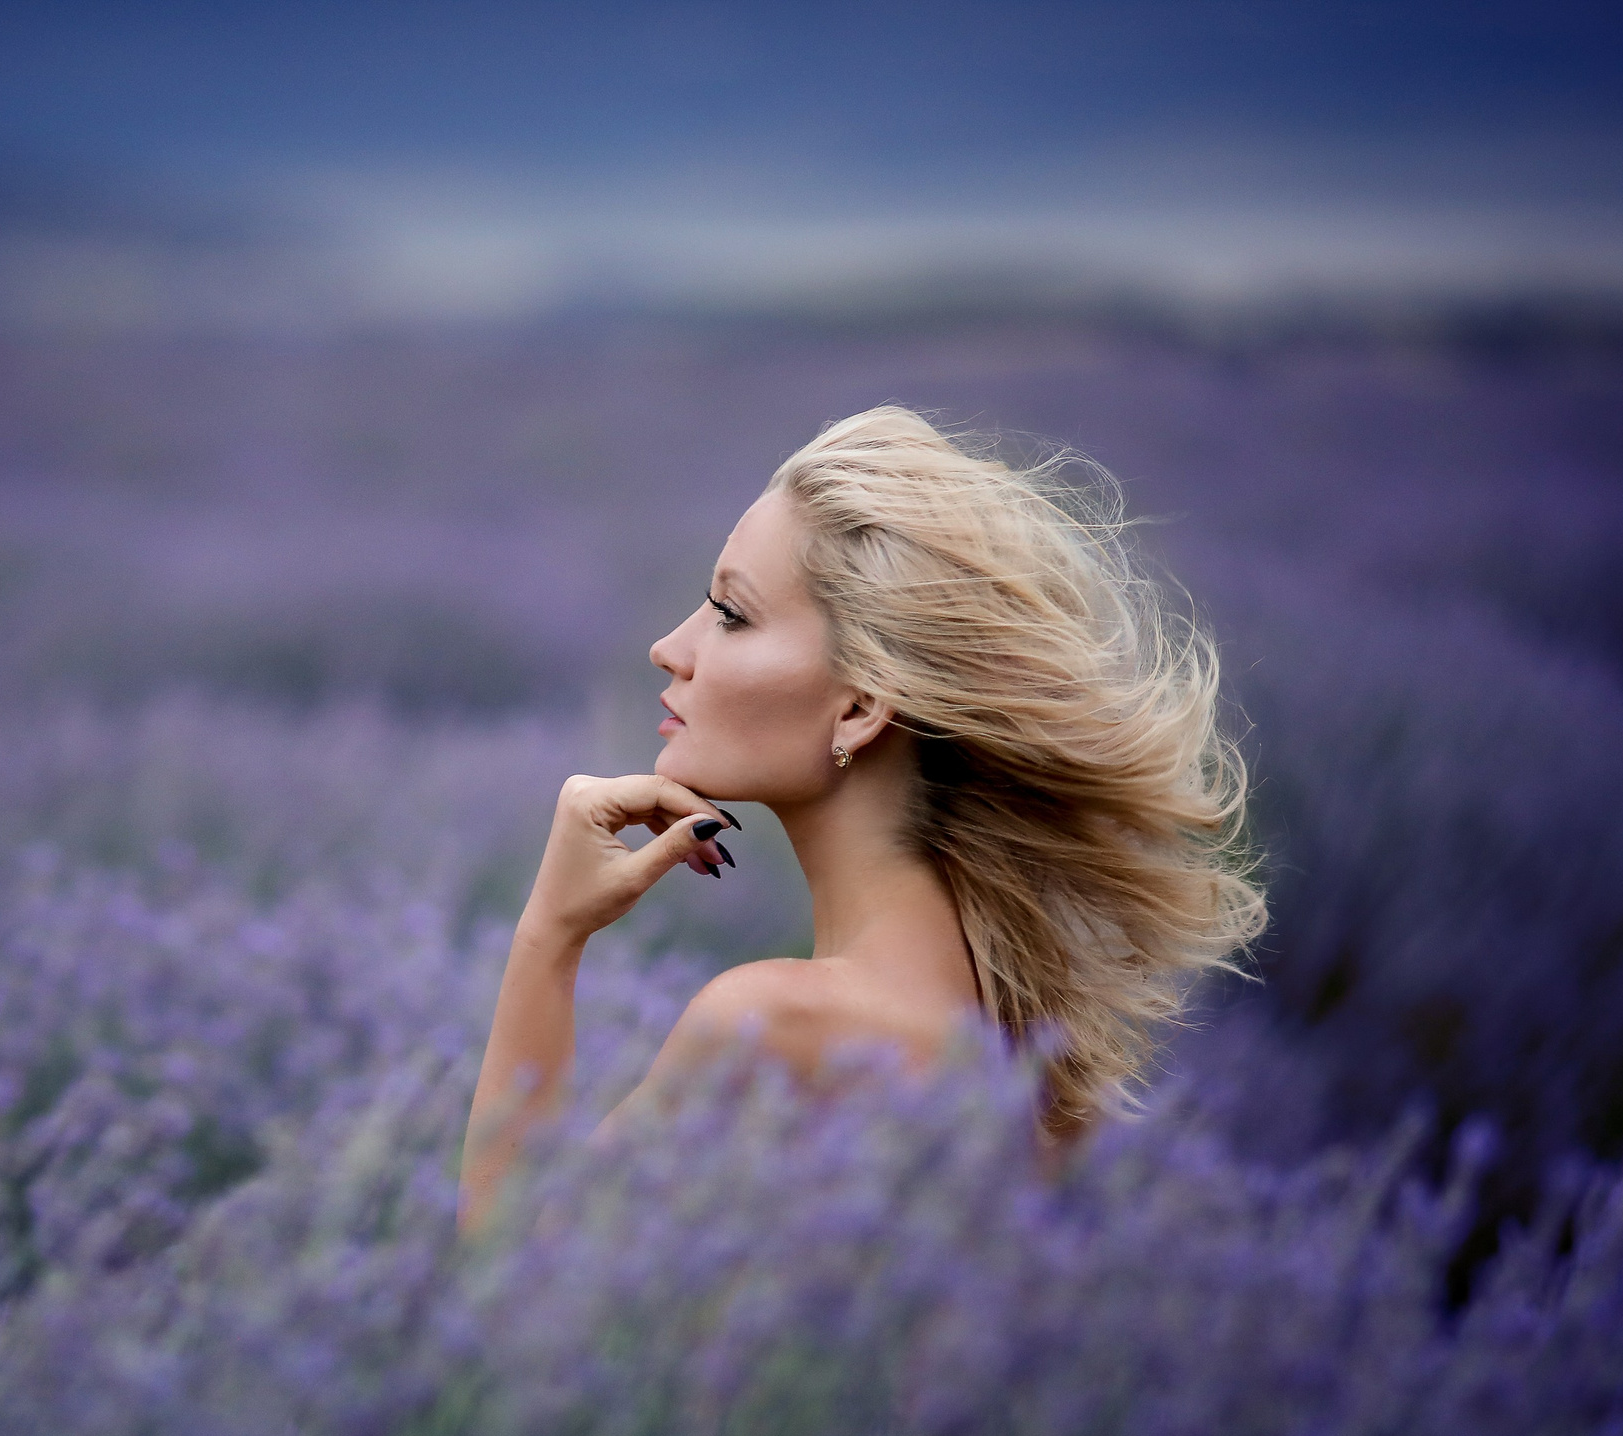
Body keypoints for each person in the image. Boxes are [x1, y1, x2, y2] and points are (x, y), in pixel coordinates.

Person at [458, 406, 1266, 1232]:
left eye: (730, 613)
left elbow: (509, 1263)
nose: (671, 646)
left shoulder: (775, 1027)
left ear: (860, 707)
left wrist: (549, 935)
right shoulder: (1035, 1063)